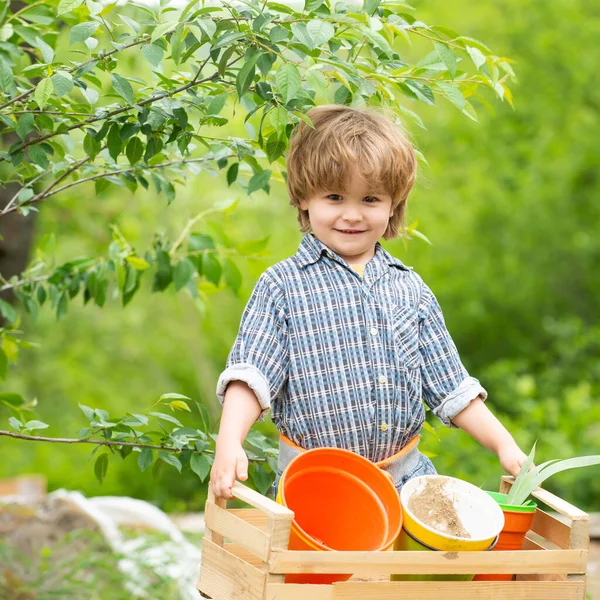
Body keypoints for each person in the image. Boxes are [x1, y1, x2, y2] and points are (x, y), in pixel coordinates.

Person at [210, 104, 528, 500]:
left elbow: (452, 388)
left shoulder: (410, 289)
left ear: (393, 203)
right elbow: (251, 376)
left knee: (438, 558)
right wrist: (229, 443)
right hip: (314, 489)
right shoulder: (283, 286)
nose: (352, 214)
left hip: (404, 488)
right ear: (304, 197)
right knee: (322, 565)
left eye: (370, 199)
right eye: (335, 196)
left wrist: (505, 445)